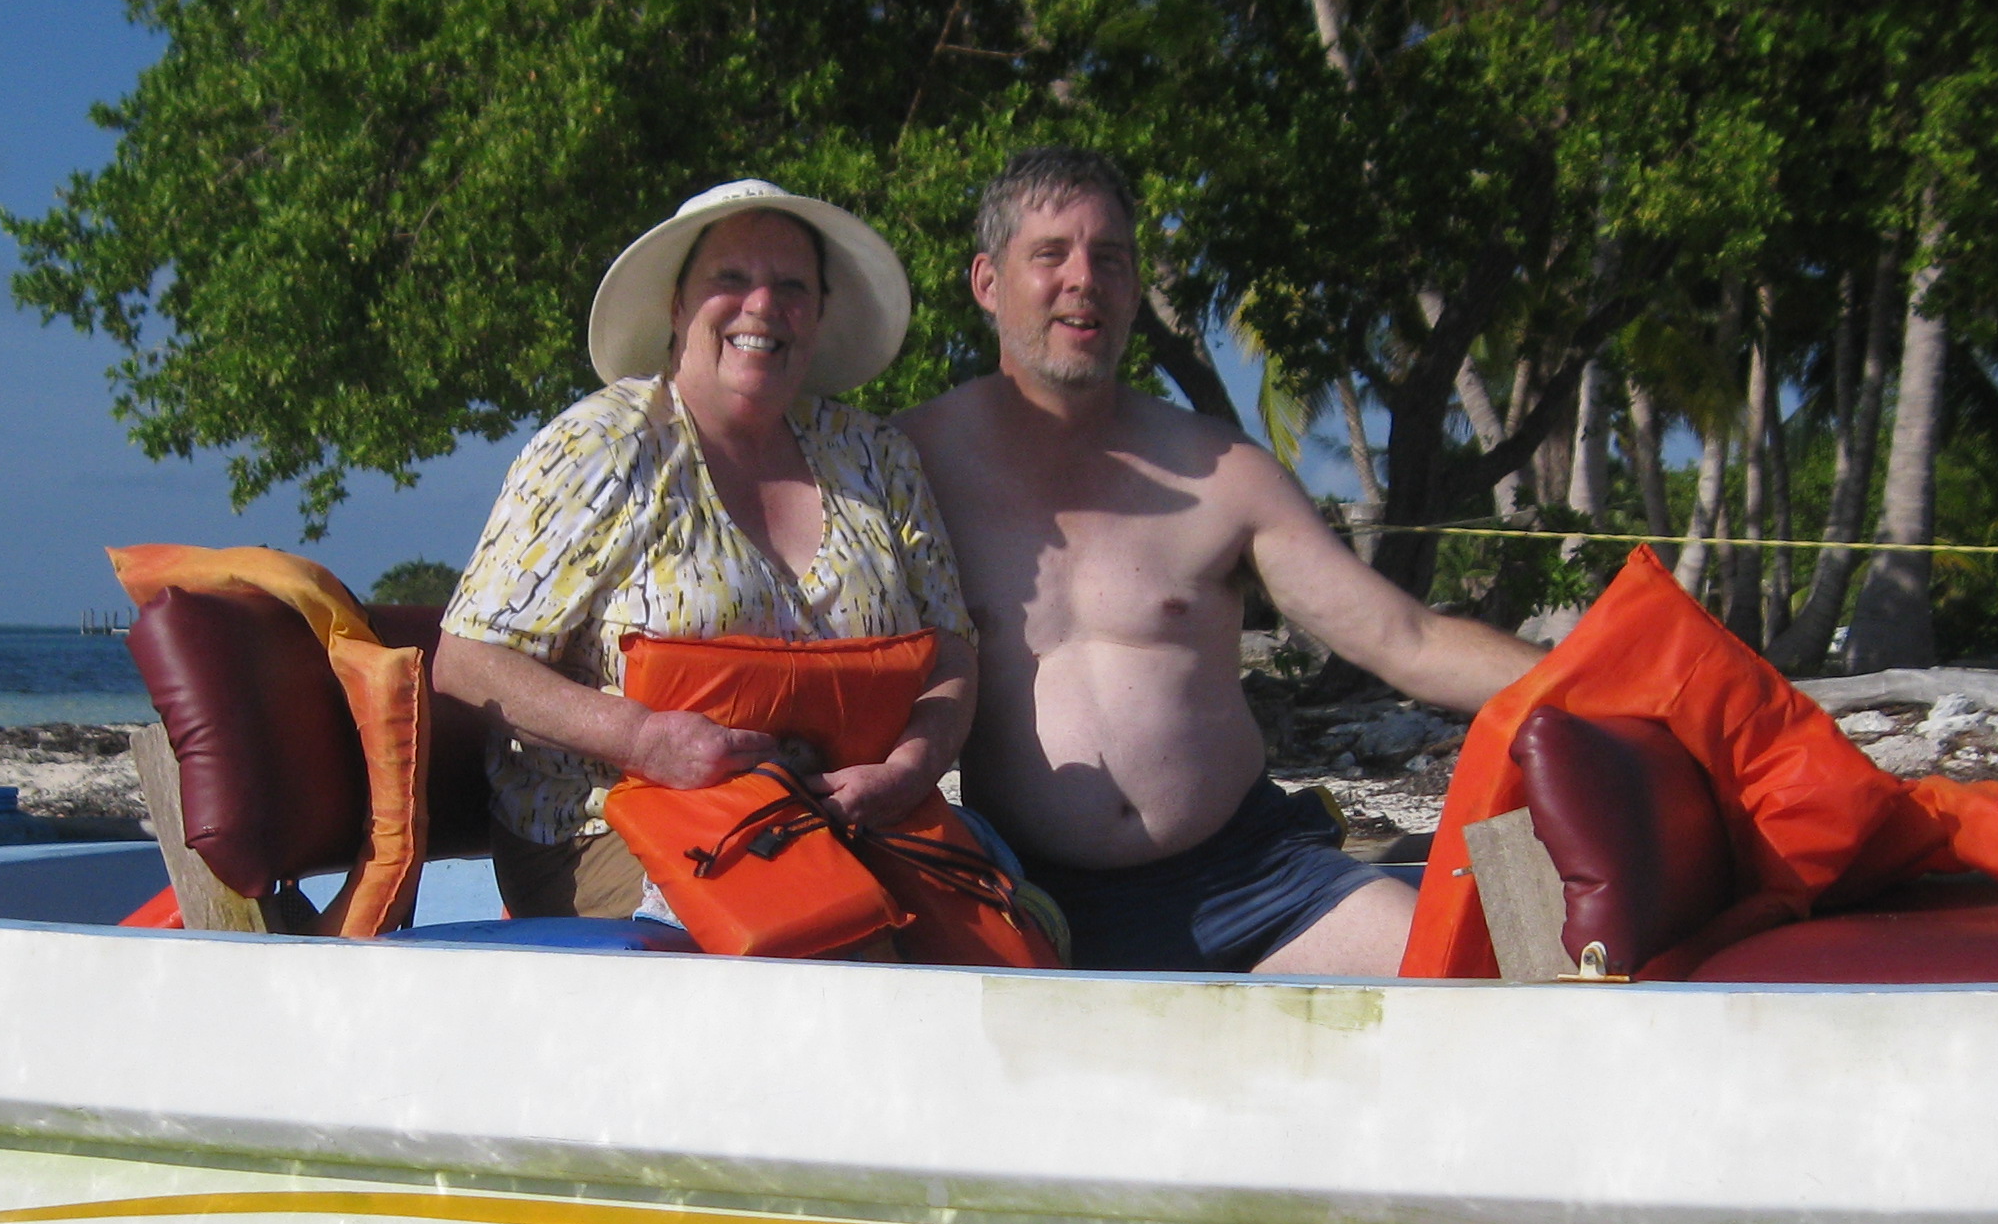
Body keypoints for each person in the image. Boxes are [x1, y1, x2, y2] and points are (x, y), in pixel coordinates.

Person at [900, 148, 1541, 977]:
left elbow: (1403, 637)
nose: (1084, 279)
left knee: (1464, 990)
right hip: (1028, 903)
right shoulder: (907, 467)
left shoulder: (1223, 471)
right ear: (989, 282)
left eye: (1112, 258)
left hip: (1258, 883)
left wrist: (1606, 689)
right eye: (1051, 254)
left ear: (1134, 290)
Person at [437, 179, 976, 920]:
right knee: (822, 949)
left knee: (1014, 936)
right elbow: (466, 662)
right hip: (615, 820)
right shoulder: (601, 446)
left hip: (851, 820)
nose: (762, 305)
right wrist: (642, 737)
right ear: (678, 305)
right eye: (731, 278)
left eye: (792, 286)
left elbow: (951, 650)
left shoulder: (877, 457)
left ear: (818, 315)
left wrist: (911, 768)